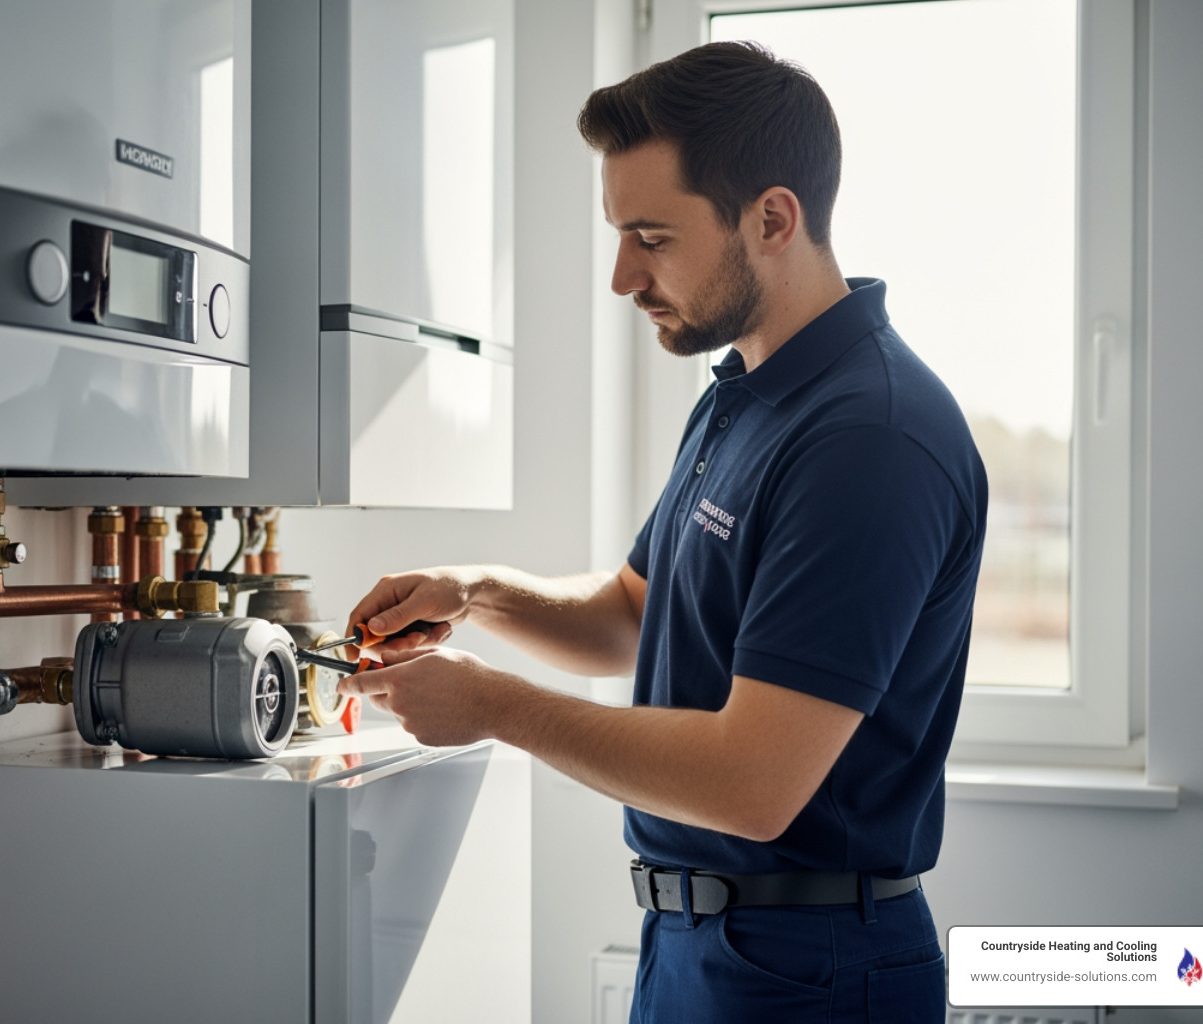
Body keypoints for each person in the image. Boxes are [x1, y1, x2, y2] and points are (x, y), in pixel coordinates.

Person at [337, 41, 987, 1024]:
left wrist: (494, 706)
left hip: (809, 970)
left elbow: (753, 783)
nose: (621, 277)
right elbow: (633, 615)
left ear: (773, 219)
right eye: (619, 235)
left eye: (651, 237)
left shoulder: (870, 437)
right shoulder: (742, 396)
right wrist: (476, 593)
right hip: (692, 944)